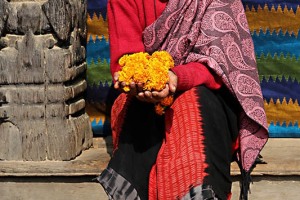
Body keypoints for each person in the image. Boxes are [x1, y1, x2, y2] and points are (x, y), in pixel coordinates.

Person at [97, 0, 269, 199]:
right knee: (134, 109)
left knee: (191, 104)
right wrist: (141, 82)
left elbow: (221, 68)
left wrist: (176, 78)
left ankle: (197, 191)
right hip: (146, 101)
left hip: (207, 100)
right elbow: (126, 61)